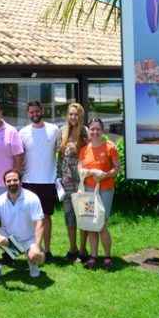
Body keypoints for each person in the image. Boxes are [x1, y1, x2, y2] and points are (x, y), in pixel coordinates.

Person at [0, 169, 45, 281]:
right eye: (9, 181)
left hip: (28, 240)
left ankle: (33, 263)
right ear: (5, 183)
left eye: (15, 180)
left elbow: (39, 223)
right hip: (10, 242)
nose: (12, 183)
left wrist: (37, 245)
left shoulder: (32, 198)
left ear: (20, 182)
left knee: (37, 257)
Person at [19, 101, 60, 260]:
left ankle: (47, 250)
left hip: (48, 181)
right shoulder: (22, 132)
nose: (34, 114)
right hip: (29, 181)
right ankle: (34, 247)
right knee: (30, 218)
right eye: (31, 112)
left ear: (42, 111)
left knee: (46, 217)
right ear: (28, 113)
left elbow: (60, 150)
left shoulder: (54, 129)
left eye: (37, 111)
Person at [78, 117, 120, 270]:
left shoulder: (110, 147)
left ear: (103, 131)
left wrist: (105, 175)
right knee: (90, 224)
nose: (95, 132)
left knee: (101, 224)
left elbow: (117, 169)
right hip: (88, 191)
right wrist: (86, 172)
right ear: (89, 131)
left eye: (98, 129)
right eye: (92, 129)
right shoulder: (84, 149)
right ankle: (94, 255)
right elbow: (80, 168)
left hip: (105, 189)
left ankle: (107, 255)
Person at [57, 103, 88, 261]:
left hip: (81, 181)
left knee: (82, 214)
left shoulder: (84, 132)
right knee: (69, 216)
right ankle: (72, 248)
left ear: (80, 116)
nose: (73, 117)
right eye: (70, 114)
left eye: (76, 114)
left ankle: (83, 250)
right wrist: (58, 178)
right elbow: (60, 158)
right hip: (66, 181)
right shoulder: (62, 131)